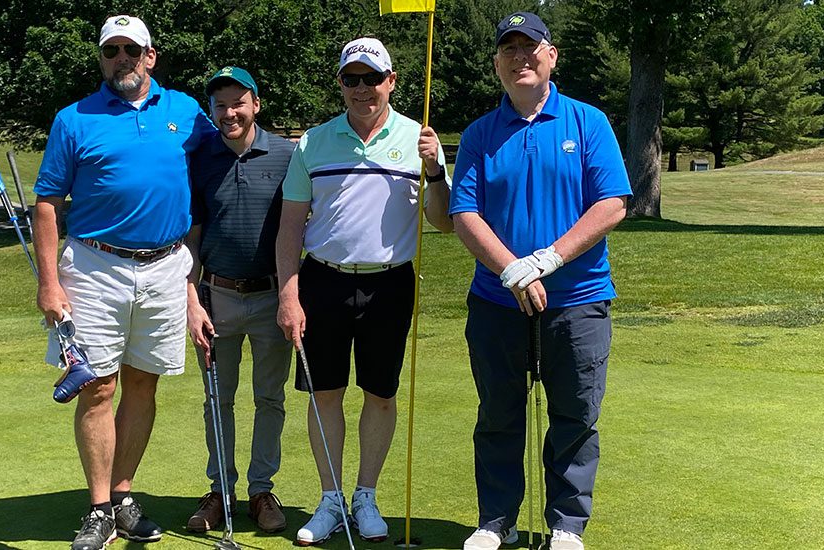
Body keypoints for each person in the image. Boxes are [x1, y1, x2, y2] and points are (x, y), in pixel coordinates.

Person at [449, 12, 632, 550]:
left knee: (575, 416)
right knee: (498, 415)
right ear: (497, 64)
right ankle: (496, 520)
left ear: (551, 56)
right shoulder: (480, 134)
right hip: (497, 301)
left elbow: (613, 204)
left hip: (577, 300)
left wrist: (547, 259)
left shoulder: (587, 122)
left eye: (530, 47)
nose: (520, 57)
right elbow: (464, 213)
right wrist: (511, 269)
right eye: (509, 49)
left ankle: (566, 526)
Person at [32, 15, 214, 550]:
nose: (121, 59)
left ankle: (122, 497)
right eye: (111, 51)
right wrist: (49, 283)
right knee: (97, 386)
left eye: (131, 50)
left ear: (150, 55)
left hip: (165, 266)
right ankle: (98, 510)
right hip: (94, 266)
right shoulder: (73, 119)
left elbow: (225, 156)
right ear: (102, 58)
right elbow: (47, 203)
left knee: (142, 384)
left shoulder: (185, 111)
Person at [275, 37, 453, 545]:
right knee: (324, 393)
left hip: (390, 283)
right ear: (340, 84)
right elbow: (290, 228)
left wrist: (434, 170)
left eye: (372, 78)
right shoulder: (314, 142)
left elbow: (443, 221)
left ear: (390, 82)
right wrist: (289, 294)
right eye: (351, 79)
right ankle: (330, 499)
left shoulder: (419, 139)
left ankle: (366, 496)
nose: (362, 88)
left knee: (380, 394)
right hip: (323, 280)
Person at [184, 66, 294, 534]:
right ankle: (220, 491)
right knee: (217, 399)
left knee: (269, 397)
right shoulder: (200, 158)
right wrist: (191, 300)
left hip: (272, 296)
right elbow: (191, 238)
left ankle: (261, 490)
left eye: (238, 103)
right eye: (220, 105)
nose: (229, 113)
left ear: (256, 105)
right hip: (216, 297)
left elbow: (300, 228)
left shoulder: (287, 155)